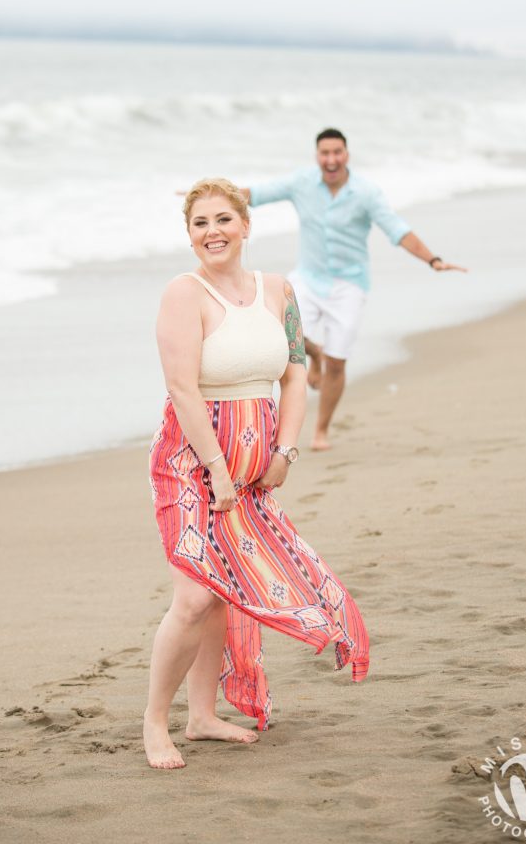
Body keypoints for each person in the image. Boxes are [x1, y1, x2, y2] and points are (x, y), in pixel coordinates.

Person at [144, 177, 369, 770]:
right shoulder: (183, 294)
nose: (212, 232)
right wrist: (216, 468)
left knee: (225, 592)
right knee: (195, 595)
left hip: (255, 467)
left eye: (223, 220)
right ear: (189, 235)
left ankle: (202, 716)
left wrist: (286, 451)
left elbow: (295, 372)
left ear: (246, 225)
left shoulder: (277, 290)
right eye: (200, 224)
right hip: (190, 462)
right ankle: (154, 722)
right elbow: (181, 387)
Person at [242, 129, 467, 450]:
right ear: (317, 155)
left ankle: (321, 430)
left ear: (347, 154)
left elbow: (397, 230)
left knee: (338, 363)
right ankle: (314, 353)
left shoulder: (366, 193)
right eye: (325, 153)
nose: (331, 159)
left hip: (349, 285)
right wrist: (208, 195)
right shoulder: (301, 183)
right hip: (308, 277)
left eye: (337, 152)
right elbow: (256, 194)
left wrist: (433, 259)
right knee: (279, 328)